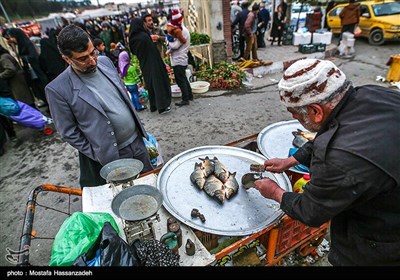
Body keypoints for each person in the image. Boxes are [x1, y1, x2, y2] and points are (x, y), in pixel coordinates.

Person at [254, 58, 400, 266]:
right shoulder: (372, 94)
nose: (295, 118)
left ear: (316, 111)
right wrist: (291, 160)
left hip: (382, 242)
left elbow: (311, 212)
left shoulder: (338, 159)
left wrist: (275, 192)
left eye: (294, 113)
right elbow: (334, 133)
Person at [45, 24, 154, 188]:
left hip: (138, 142)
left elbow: (119, 95)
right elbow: (68, 132)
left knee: (149, 182)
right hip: (114, 156)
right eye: (83, 58)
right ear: (66, 59)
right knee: (129, 193)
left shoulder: (105, 62)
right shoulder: (58, 89)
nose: (92, 61)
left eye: (92, 52)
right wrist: (97, 152)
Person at [129, 17, 172, 114]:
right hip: (153, 62)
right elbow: (152, 49)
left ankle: (154, 106)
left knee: (150, 84)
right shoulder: (144, 36)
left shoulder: (132, 39)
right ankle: (162, 106)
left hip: (143, 63)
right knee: (158, 83)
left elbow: (134, 52)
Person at [4, 28, 49, 107]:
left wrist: (23, 58)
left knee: (41, 88)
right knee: (37, 90)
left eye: (11, 37)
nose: (11, 39)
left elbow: (33, 57)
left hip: (35, 72)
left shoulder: (27, 44)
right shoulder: (18, 45)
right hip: (30, 73)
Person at [165, 9, 193, 107]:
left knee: (180, 79)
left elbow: (175, 46)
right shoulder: (180, 30)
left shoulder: (182, 31)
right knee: (183, 78)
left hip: (179, 59)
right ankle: (189, 96)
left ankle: (185, 99)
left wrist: (168, 43)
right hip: (180, 58)